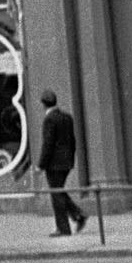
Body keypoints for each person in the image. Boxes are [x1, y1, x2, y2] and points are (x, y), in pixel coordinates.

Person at [36, 89, 86, 237]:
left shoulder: (49, 119)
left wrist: (41, 164)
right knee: (58, 190)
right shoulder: (67, 117)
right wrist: (70, 158)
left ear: (43, 104)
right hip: (66, 162)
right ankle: (78, 215)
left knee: (56, 193)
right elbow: (72, 140)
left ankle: (63, 228)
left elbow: (48, 144)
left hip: (54, 164)